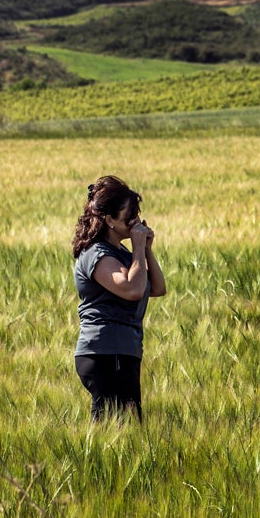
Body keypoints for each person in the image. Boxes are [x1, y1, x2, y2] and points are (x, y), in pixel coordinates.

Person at [71, 175, 167, 422]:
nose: (136, 221)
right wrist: (136, 248)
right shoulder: (98, 254)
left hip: (123, 352)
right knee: (111, 432)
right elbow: (132, 289)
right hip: (105, 353)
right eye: (129, 216)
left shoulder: (122, 253)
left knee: (129, 430)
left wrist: (145, 249)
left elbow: (156, 288)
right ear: (109, 220)